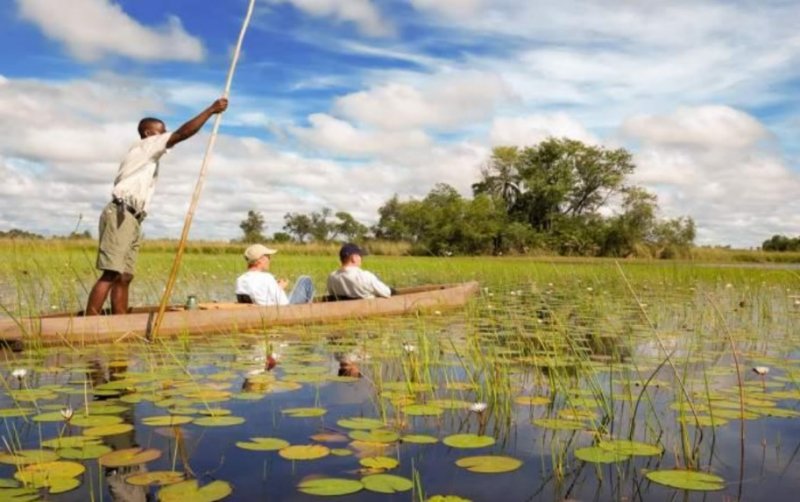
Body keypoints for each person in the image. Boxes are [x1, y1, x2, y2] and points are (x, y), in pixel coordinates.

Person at [84, 98, 229, 316]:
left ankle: (120, 321)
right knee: (111, 272)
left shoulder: (149, 155)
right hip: (121, 213)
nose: (166, 136)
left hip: (133, 217)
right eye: (161, 132)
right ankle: (89, 323)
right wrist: (211, 110)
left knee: (125, 276)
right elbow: (182, 134)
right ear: (149, 134)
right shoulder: (145, 146)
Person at [235, 244, 314, 305]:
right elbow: (284, 303)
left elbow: (257, 296)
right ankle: (310, 312)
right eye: (268, 257)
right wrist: (279, 289)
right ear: (261, 260)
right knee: (305, 279)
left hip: (259, 310)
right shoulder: (267, 278)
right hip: (279, 312)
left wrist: (277, 288)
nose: (270, 260)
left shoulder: (240, 279)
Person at [326, 243, 392, 300]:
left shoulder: (331, 277)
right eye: (360, 256)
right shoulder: (365, 276)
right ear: (353, 258)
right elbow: (387, 292)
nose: (361, 259)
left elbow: (332, 294)